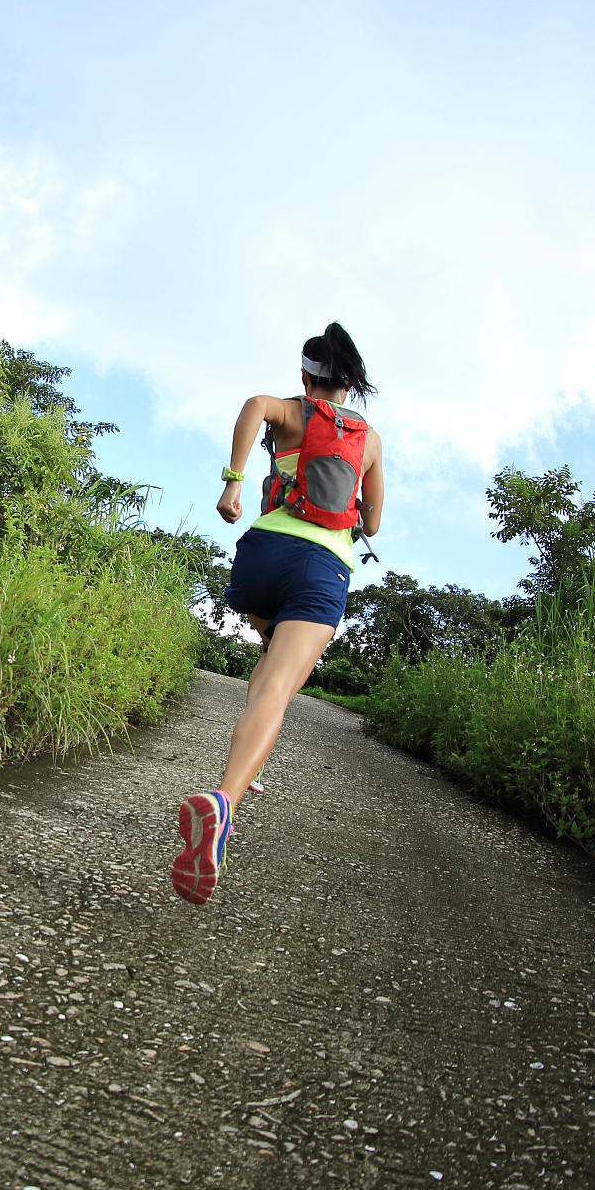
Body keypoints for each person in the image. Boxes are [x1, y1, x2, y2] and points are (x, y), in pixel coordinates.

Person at [170, 322, 383, 904]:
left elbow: (253, 406)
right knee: (277, 689)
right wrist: (353, 500)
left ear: (306, 378)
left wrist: (233, 484)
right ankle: (224, 803)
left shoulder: (290, 411)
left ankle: (253, 764)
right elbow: (373, 522)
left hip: (262, 555)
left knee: (268, 659)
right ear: (348, 385)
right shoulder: (369, 439)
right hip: (322, 567)